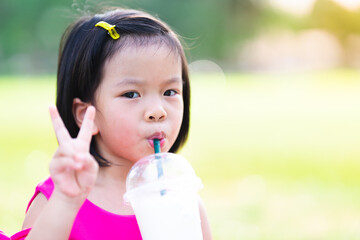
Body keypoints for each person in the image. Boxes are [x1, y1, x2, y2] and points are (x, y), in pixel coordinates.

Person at [14, 7, 212, 240]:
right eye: (131, 94)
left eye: (170, 91)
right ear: (87, 114)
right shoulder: (59, 201)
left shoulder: (183, 202)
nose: (157, 111)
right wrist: (66, 202)